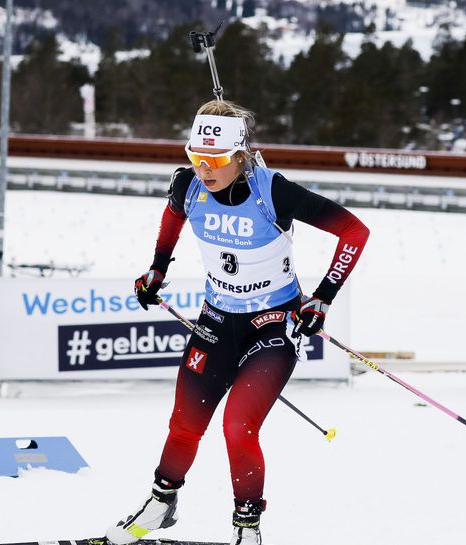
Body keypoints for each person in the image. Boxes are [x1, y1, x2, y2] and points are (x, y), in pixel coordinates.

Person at [105, 99, 370, 545]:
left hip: (272, 326)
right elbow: (172, 217)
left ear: (241, 155)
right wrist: (157, 269)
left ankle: (247, 527)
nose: (205, 169)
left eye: (216, 160)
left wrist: (322, 298)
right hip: (215, 321)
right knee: (184, 425)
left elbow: (354, 231)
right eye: (196, 156)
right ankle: (159, 506)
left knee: (237, 427)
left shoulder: (274, 191)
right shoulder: (188, 186)